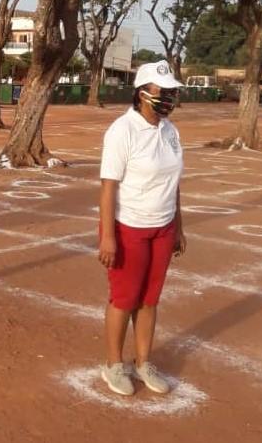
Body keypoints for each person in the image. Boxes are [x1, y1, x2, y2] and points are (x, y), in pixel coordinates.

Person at [98, 60, 186, 396]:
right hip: (129, 227)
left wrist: (178, 226)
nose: (169, 98)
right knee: (125, 298)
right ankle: (113, 364)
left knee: (149, 299)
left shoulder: (170, 131)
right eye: (163, 92)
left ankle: (144, 362)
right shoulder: (123, 131)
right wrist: (108, 237)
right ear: (141, 93)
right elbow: (108, 186)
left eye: (172, 93)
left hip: (163, 226)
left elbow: (174, 183)